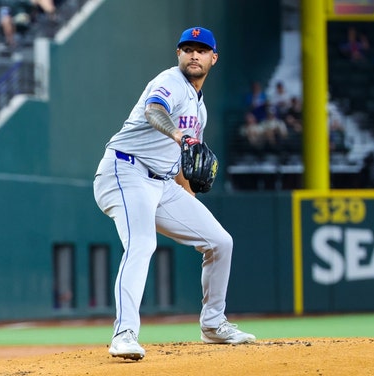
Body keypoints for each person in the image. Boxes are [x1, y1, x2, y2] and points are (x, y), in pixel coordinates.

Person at [92, 26, 255, 361]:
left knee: (219, 242)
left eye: (201, 49)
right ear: (178, 54)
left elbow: (182, 164)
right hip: (125, 170)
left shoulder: (200, 107)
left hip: (163, 183)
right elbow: (154, 111)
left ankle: (213, 324)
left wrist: (188, 198)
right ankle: (124, 334)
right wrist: (179, 135)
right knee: (142, 243)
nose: (194, 54)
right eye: (187, 48)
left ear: (214, 58)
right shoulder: (170, 82)